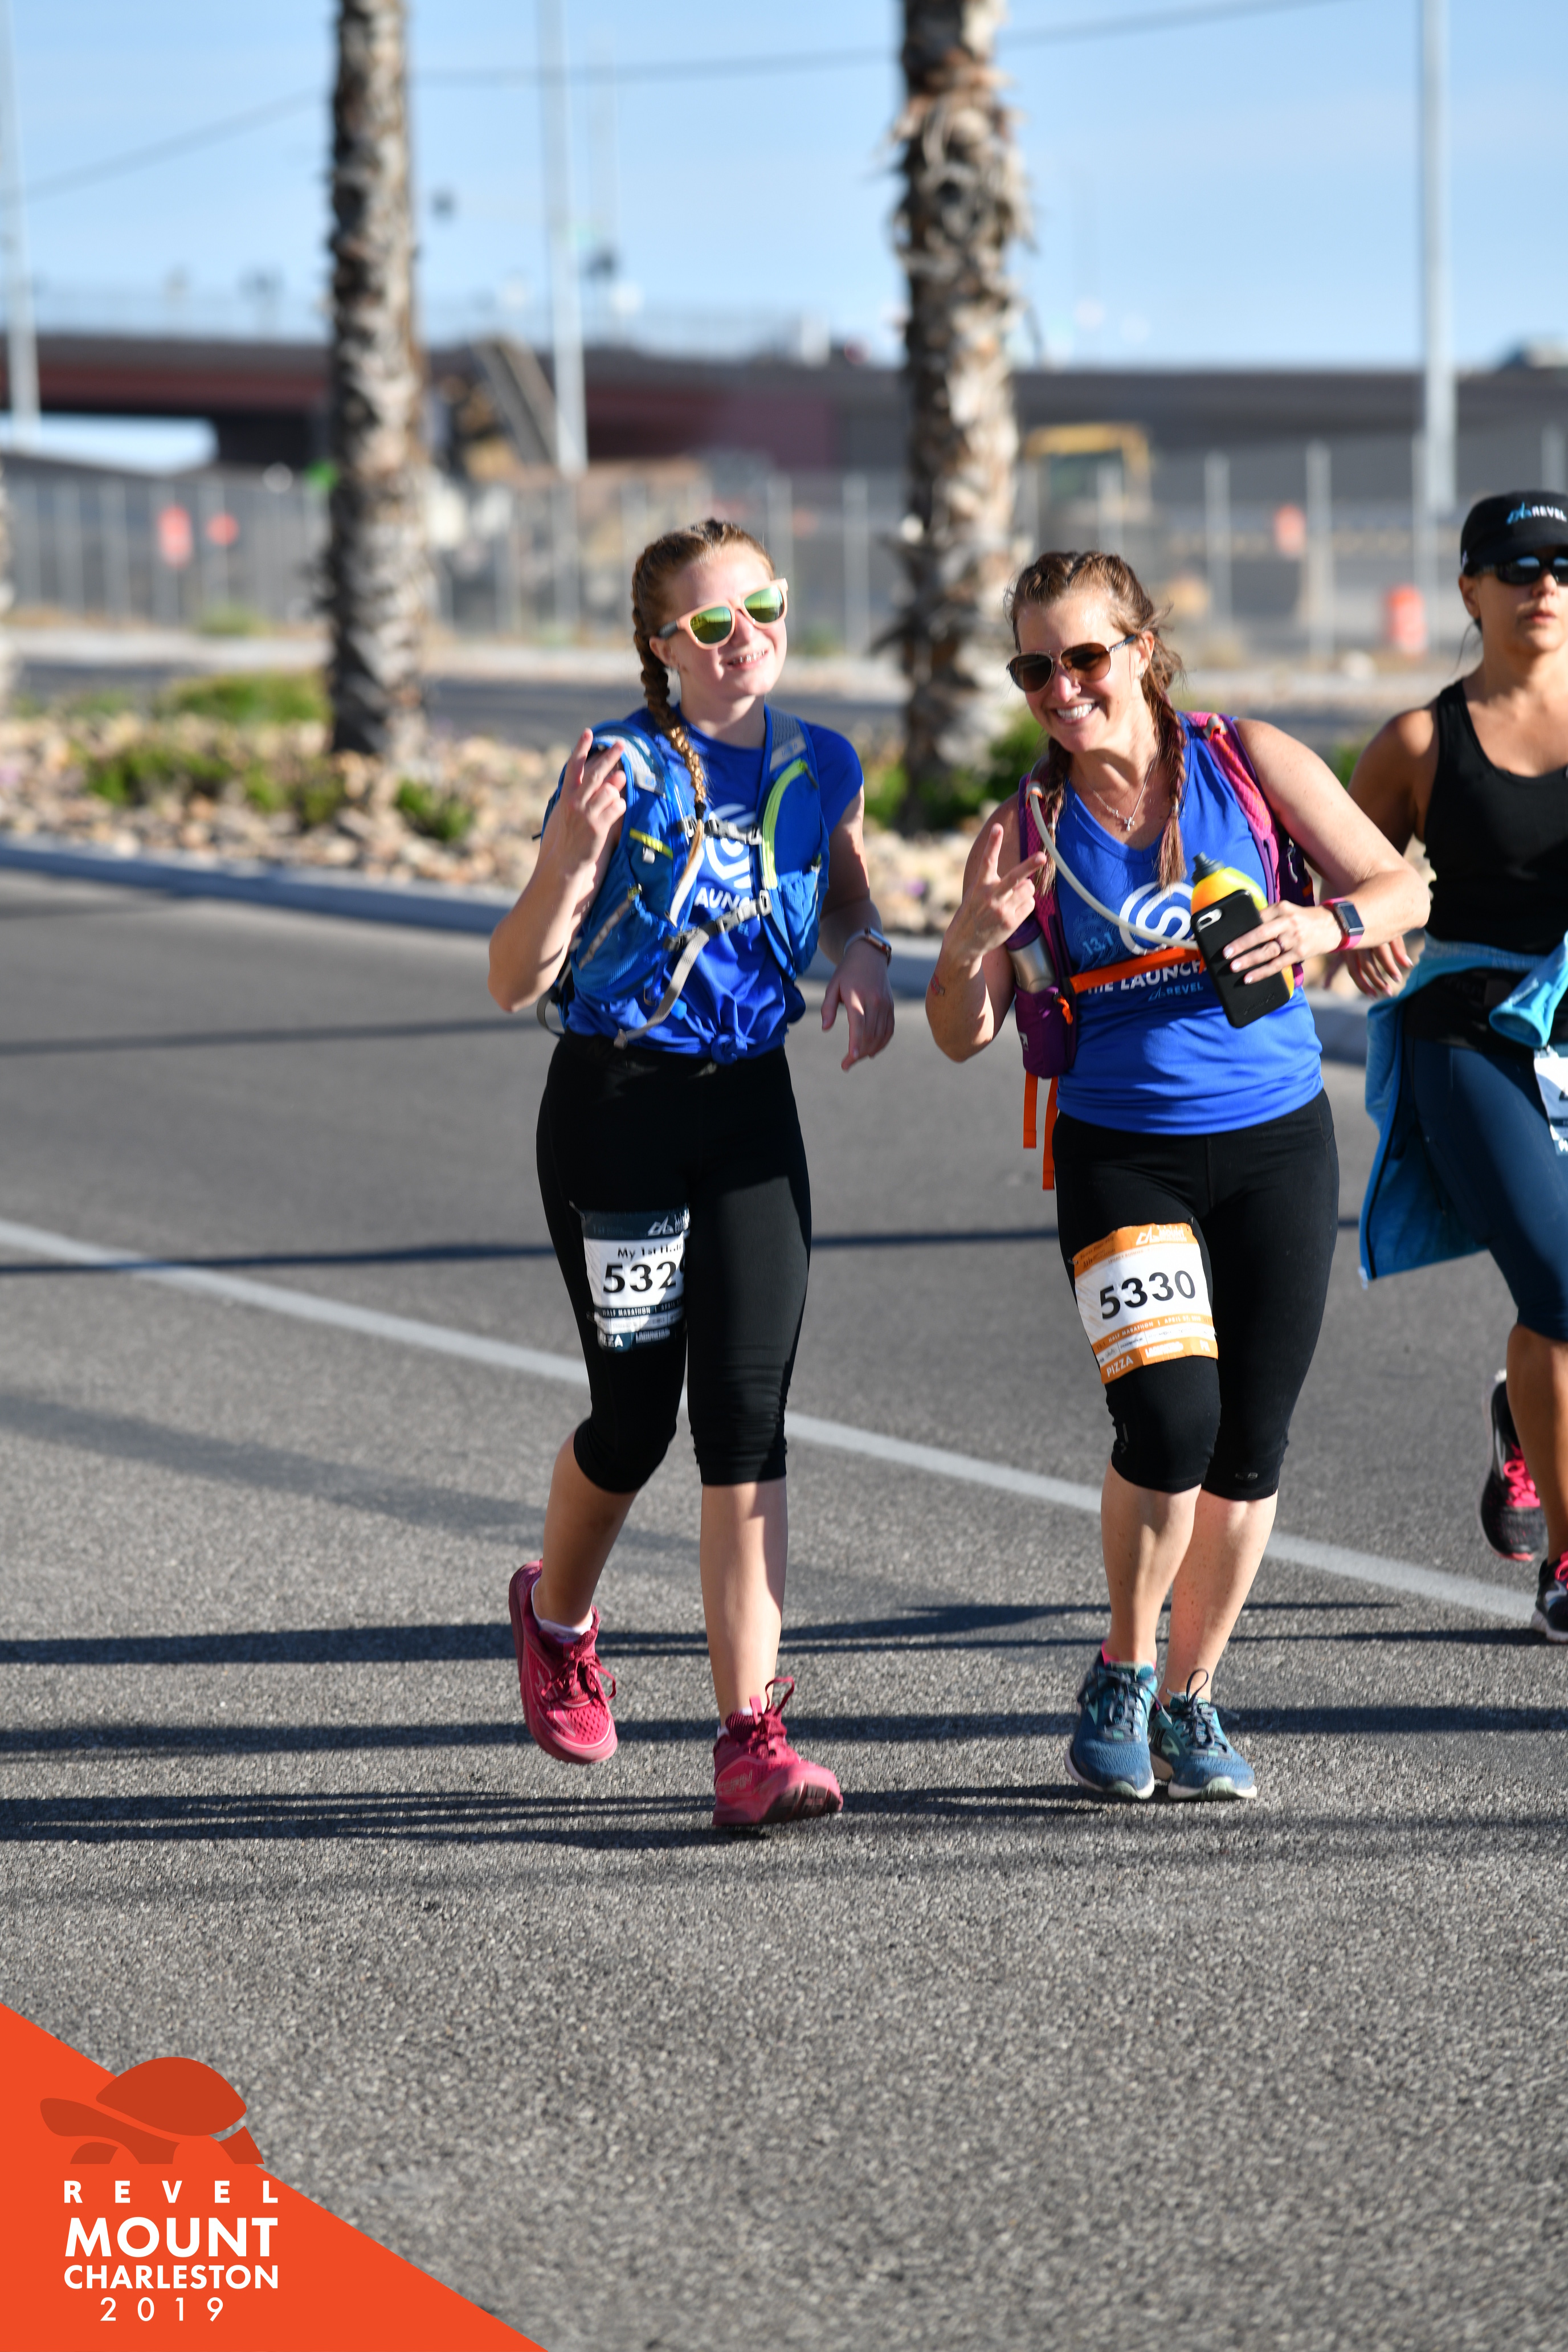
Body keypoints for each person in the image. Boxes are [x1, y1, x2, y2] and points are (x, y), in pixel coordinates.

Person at [926, 549, 1428, 1801]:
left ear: (1141, 651)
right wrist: (972, 939)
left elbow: (1403, 884)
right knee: (1168, 1424)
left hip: (1277, 1144)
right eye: (1033, 669)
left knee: (1248, 1445)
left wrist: (1322, 923)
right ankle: (1123, 1666)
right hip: (1121, 1152)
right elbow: (959, 1033)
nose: (1061, 689)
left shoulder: (1245, 760)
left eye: (1084, 657)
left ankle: (1192, 1698)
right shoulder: (1021, 830)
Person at [487, 517, 896, 1827]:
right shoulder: (617, 770)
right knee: (633, 1421)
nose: (744, 639)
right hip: (616, 1106)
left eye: (762, 609)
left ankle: (750, 1738)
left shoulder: (820, 762)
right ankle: (555, 1617)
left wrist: (866, 953)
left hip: (749, 1107)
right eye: (712, 624)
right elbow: (511, 977)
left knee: (744, 1420)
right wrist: (565, 861)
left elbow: (844, 892)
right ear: (661, 646)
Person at [1349, 489, 1568, 1642]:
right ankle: (1565, 1564)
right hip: (1469, 1031)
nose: (1546, 585)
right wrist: (1356, 929)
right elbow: (1340, 877)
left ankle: (1528, 1422)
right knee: (1562, 1290)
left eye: (1564, 565)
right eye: (1519, 565)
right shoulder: (1421, 743)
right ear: (1470, 589)